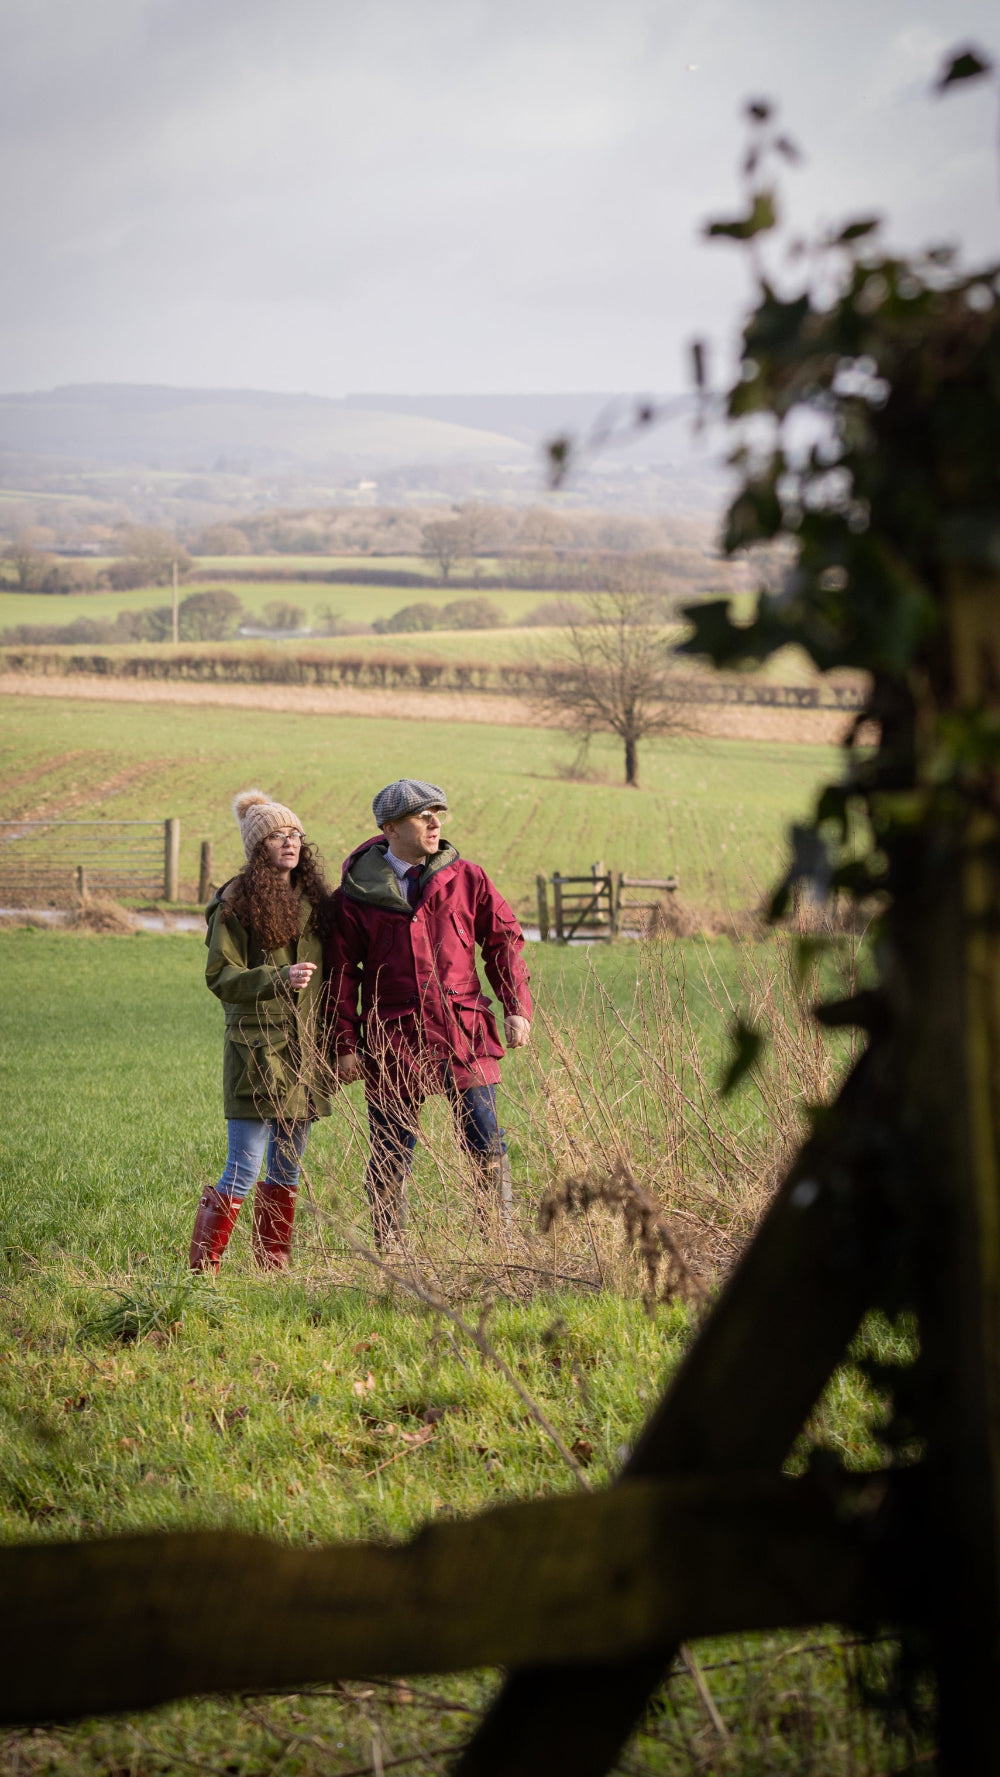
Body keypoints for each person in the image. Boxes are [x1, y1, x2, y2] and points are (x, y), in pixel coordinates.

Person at [326, 778, 532, 1248]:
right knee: (391, 1152)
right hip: (393, 1039)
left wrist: (516, 1007)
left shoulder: (468, 878)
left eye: (438, 812)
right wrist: (345, 1046)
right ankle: (390, 1251)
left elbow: (503, 940)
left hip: (466, 1033)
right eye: (423, 816)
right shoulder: (355, 896)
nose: (435, 822)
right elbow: (340, 977)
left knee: (487, 1145)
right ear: (390, 827)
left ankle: (497, 1247)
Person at [189, 788, 332, 1273]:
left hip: (305, 1051)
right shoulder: (236, 902)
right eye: (276, 836)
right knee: (245, 1166)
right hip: (255, 1050)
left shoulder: (316, 901)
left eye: (295, 834)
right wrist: (275, 979)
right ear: (258, 847)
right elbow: (219, 977)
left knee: (287, 1167)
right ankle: (201, 1271)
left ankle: (273, 1268)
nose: (289, 842)